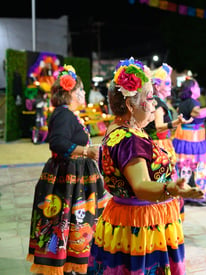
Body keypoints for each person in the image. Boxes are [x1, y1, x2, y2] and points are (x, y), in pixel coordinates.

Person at [88, 57, 204, 274]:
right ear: (131, 105)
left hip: (121, 216)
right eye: (150, 98)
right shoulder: (131, 139)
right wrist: (171, 188)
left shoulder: (116, 129)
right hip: (142, 223)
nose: (154, 104)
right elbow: (141, 185)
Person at [26, 65, 110, 275]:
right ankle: (65, 264)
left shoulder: (69, 114)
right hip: (68, 178)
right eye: (80, 91)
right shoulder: (63, 115)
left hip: (76, 177)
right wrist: (86, 151)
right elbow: (57, 143)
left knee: (75, 220)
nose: (83, 94)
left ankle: (71, 262)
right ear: (70, 93)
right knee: (68, 220)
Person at [144, 63, 193, 220]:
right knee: (164, 180)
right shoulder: (158, 102)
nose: (170, 86)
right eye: (167, 83)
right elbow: (159, 127)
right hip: (159, 146)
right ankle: (165, 217)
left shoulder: (159, 101)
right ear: (157, 86)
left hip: (161, 145)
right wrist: (175, 123)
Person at [173, 77, 206, 206]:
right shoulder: (193, 102)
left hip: (184, 139)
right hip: (194, 140)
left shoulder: (183, 103)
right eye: (196, 86)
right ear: (190, 89)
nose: (198, 88)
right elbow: (198, 114)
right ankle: (195, 195)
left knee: (184, 166)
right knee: (198, 166)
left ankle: (185, 194)